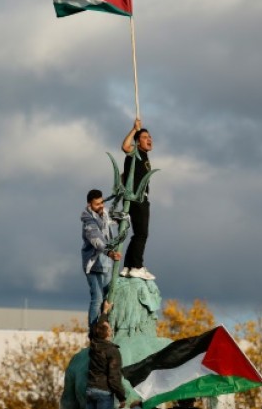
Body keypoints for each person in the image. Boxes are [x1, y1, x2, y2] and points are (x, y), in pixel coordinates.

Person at [81, 189, 122, 327]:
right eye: (97, 204)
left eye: (102, 202)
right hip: (93, 265)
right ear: (89, 205)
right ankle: (93, 332)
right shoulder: (89, 222)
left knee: (108, 300)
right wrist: (109, 252)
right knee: (97, 299)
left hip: (107, 265)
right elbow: (97, 240)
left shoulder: (104, 214)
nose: (101, 206)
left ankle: (106, 328)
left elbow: (119, 218)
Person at [120, 118, 155, 280]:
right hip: (139, 198)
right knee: (142, 234)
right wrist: (135, 129)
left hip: (136, 198)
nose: (149, 139)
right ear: (137, 141)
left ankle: (128, 266)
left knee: (137, 235)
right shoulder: (136, 153)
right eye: (145, 137)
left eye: (150, 137)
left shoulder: (144, 156)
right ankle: (137, 266)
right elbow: (125, 147)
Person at [86, 302, 126, 409]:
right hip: (103, 393)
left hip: (90, 390)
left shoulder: (94, 343)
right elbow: (114, 377)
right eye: (109, 328)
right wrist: (121, 397)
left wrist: (105, 311)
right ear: (107, 333)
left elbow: (100, 326)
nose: (111, 328)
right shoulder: (112, 351)